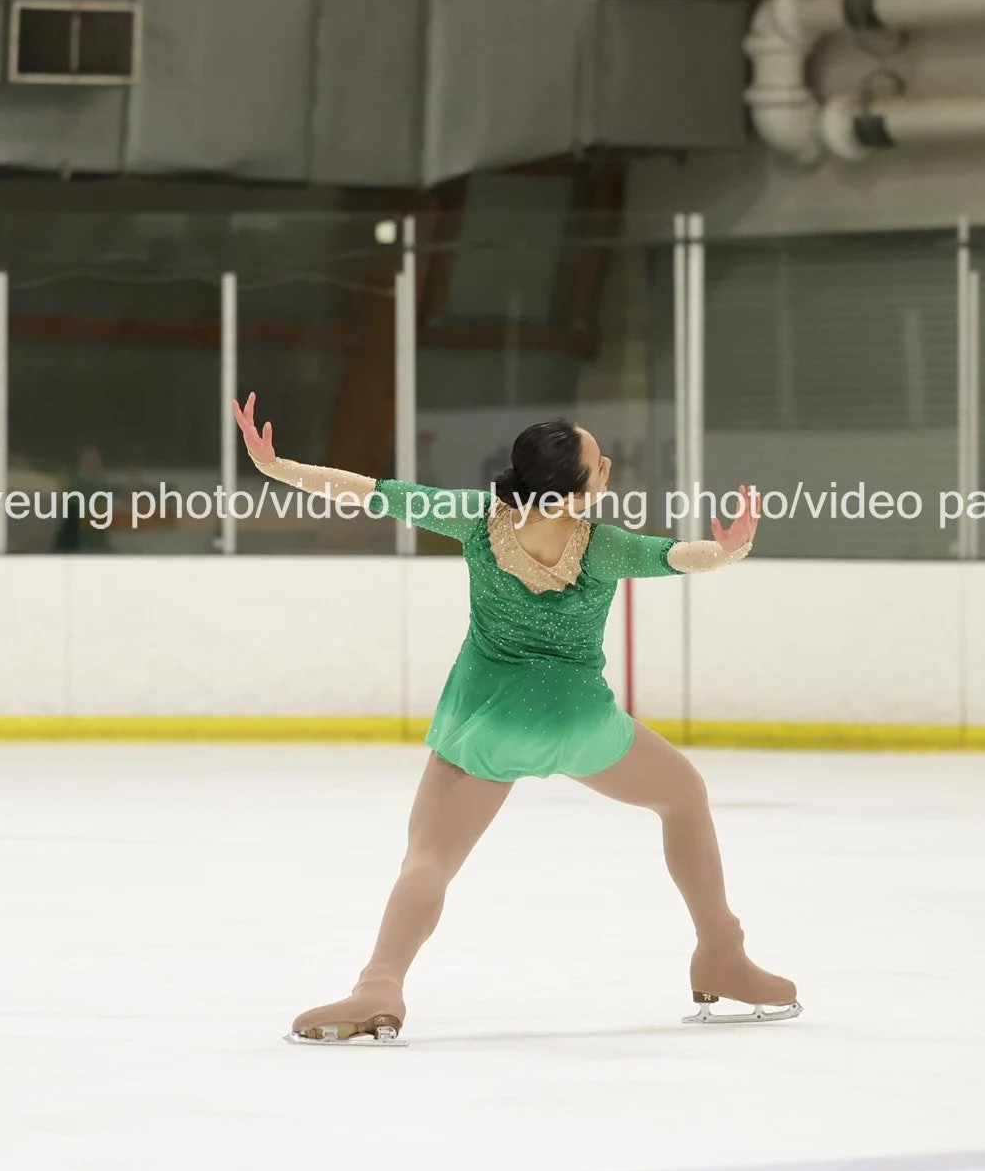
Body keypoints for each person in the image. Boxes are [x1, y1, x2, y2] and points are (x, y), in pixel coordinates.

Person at [229, 393, 799, 1045]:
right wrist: (729, 550)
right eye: (599, 464)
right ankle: (721, 951)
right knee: (684, 795)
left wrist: (276, 468)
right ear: (573, 495)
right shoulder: (604, 547)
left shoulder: (476, 520)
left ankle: (379, 984)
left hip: (488, 724)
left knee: (429, 858)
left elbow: (370, 493)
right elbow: (676, 556)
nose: (608, 467)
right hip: (578, 723)